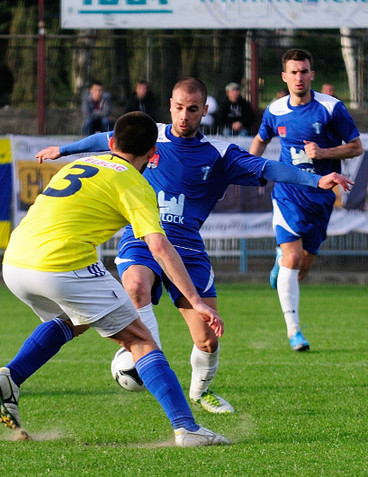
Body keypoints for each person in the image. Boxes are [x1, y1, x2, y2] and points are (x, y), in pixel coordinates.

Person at [34, 78, 351, 414]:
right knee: (136, 287)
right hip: (144, 236)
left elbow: (269, 167)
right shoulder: (150, 136)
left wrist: (316, 179)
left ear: (204, 111)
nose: (184, 116)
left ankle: (201, 392)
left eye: (193, 109)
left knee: (207, 340)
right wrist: (63, 150)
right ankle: (143, 353)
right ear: (170, 104)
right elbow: (105, 138)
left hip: (187, 248)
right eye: (179, 107)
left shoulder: (219, 153)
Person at [0, 112, 229, 447]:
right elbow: (159, 246)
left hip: (14, 262)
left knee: (75, 319)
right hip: (60, 264)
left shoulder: (79, 164)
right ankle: (187, 429)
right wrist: (197, 301)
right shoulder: (135, 183)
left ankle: (12, 376)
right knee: (141, 340)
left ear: (113, 143)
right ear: (153, 156)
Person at [249, 49, 362, 352]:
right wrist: (248, 168)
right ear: (284, 77)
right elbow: (261, 139)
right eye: (293, 72)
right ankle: (294, 331)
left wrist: (325, 153)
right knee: (293, 257)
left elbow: (355, 147)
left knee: (304, 262)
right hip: (288, 194)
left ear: (312, 75)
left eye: (304, 72)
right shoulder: (275, 110)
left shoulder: (331, 108)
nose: (299, 78)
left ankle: (280, 263)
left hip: (322, 197)